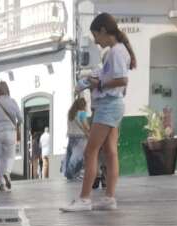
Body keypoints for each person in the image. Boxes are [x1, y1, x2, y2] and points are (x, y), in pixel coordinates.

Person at [62, 13, 136, 212]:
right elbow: (118, 79)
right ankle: (109, 198)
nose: (95, 41)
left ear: (103, 30)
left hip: (108, 105)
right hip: (113, 104)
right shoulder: (119, 51)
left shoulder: (115, 52)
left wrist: (99, 84)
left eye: (96, 35)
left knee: (90, 151)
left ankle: (85, 198)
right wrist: (96, 80)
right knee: (110, 152)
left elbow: (122, 80)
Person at [64, 96, 89, 181]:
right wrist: (89, 129)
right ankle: (74, 174)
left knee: (70, 155)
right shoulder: (82, 113)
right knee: (78, 157)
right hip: (80, 137)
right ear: (82, 105)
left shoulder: (70, 113)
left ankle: (69, 174)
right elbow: (85, 126)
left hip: (71, 136)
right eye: (85, 105)